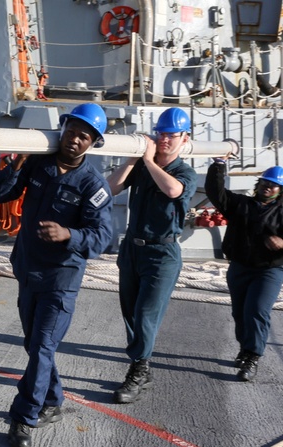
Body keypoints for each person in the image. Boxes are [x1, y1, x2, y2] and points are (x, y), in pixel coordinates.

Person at [0, 103, 114, 447]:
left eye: (84, 136)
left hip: (61, 279)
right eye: (72, 131)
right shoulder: (38, 164)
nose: (75, 140)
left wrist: (68, 235)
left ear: (92, 143)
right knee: (35, 346)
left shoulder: (92, 185)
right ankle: (53, 399)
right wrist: (14, 164)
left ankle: (24, 417)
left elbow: (102, 237)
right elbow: (0, 194)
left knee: (42, 347)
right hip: (28, 270)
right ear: (64, 130)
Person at [106, 106, 197, 404]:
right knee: (130, 312)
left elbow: (173, 190)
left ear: (184, 139)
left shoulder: (185, 171)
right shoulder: (143, 167)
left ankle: (139, 369)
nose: (165, 139)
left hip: (162, 254)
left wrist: (148, 160)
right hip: (133, 248)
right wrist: (134, 158)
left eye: (171, 135)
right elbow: (112, 186)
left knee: (146, 314)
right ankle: (141, 364)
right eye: (161, 134)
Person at [205, 161, 283, 381]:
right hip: (239, 268)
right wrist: (218, 167)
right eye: (265, 182)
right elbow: (215, 192)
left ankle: (252, 357)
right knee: (240, 313)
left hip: (268, 271)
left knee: (257, 310)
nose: (268, 187)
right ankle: (245, 348)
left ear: (280, 190)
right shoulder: (239, 204)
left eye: (274, 185)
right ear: (259, 183)